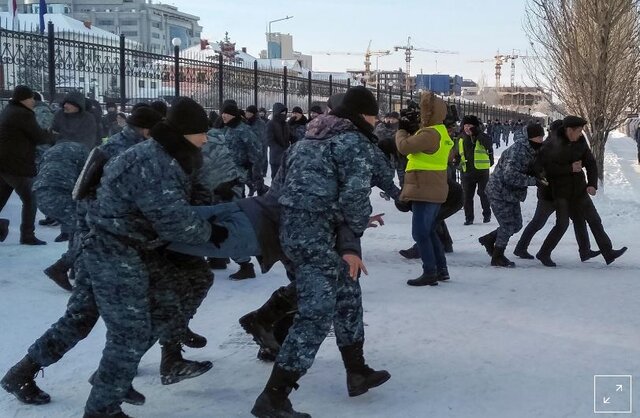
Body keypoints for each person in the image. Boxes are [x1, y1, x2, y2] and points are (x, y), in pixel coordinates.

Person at [79, 97, 224, 417]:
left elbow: (186, 204)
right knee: (129, 332)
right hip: (113, 250)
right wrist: (210, 233)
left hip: (142, 247)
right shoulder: (153, 162)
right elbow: (173, 220)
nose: (206, 138)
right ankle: (102, 407)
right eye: (201, 132)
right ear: (185, 132)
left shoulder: (173, 155)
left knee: (178, 293)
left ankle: (162, 361)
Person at [251, 87, 390, 418]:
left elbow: (283, 189)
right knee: (315, 315)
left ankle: (357, 371)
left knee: (347, 294)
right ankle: (273, 397)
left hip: (296, 231)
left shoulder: (308, 140)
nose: (375, 119)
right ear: (361, 115)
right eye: (373, 114)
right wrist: (351, 243)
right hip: (317, 238)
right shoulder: (353, 143)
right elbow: (354, 200)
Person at [534, 116, 627, 267]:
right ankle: (544, 253)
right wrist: (569, 168)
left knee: (594, 220)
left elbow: (590, 162)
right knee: (562, 224)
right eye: (578, 131)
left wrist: (592, 184)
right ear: (569, 130)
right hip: (560, 192)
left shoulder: (580, 141)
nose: (580, 133)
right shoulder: (552, 144)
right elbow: (543, 169)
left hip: (579, 189)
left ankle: (608, 252)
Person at [513, 120, 600, 262]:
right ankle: (522, 247)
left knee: (578, 219)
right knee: (539, 222)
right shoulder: (547, 147)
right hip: (548, 195)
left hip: (563, 193)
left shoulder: (563, 145)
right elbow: (541, 170)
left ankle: (585, 250)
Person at [396, 92, 454, 287]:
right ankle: (441, 270)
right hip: (434, 188)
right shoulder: (440, 132)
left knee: (420, 233)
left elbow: (404, 147)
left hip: (424, 189)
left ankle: (430, 271)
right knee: (429, 231)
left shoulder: (430, 134)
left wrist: (402, 130)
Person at [478, 123, 545, 267]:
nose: (541, 140)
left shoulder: (532, 149)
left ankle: (489, 239)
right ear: (530, 138)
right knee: (508, 225)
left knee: (516, 224)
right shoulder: (518, 150)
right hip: (499, 191)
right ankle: (498, 256)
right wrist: (534, 181)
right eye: (538, 137)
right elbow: (510, 175)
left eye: (542, 137)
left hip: (511, 193)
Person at [33, 140, 90, 289]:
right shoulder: (84, 152)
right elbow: (86, 180)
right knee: (86, 230)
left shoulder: (53, 151)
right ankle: (59, 268)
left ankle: (74, 268)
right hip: (59, 194)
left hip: (40, 195)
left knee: (76, 227)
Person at [0, 85, 52, 245]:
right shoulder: (23, 114)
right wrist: (52, 136)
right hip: (17, 164)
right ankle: (27, 234)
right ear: (24, 99)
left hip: (4, 163)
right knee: (30, 198)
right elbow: (39, 136)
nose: (33, 102)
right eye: (31, 98)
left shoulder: (8, 110)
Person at [220, 100, 263, 280]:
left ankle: (245, 263)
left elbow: (256, 154)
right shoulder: (223, 129)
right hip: (221, 178)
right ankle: (219, 257)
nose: (224, 115)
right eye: (222, 112)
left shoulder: (244, 130)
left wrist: (253, 178)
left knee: (231, 219)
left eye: (227, 113)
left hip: (235, 180)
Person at [455, 114, 493, 225]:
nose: (467, 128)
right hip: (466, 171)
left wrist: (477, 134)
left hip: (482, 171)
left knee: (483, 193)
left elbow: (488, 144)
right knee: (467, 196)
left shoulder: (482, 136)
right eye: (466, 125)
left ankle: (487, 214)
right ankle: (469, 218)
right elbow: (457, 153)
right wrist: (457, 163)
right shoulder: (461, 138)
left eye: (470, 125)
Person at [245, 104, 268, 196]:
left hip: (257, 153)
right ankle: (254, 188)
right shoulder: (247, 122)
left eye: (249, 113)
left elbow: (260, 140)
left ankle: (261, 192)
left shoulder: (260, 123)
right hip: (248, 153)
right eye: (246, 112)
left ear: (254, 114)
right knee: (247, 176)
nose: (247, 114)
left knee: (257, 175)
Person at [265, 102, 289, 179]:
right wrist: (279, 150)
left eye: (285, 112)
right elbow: (269, 140)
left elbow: (291, 136)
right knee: (276, 179)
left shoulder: (285, 124)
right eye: (282, 112)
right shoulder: (270, 124)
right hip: (276, 158)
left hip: (286, 156)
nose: (284, 114)